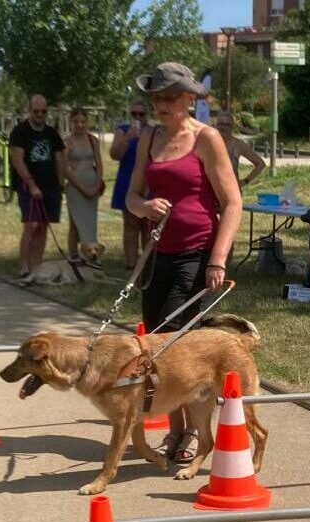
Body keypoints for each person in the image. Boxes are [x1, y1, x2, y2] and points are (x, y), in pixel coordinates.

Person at [126, 62, 243, 464]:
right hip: (159, 254)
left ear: (190, 98)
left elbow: (232, 203)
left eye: (170, 96)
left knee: (179, 345)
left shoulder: (206, 138)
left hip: (197, 254)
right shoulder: (148, 137)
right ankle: (175, 430)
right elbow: (132, 196)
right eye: (156, 97)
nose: (161, 104)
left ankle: (193, 431)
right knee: (155, 345)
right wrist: (144, 206)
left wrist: (218, 259)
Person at [10, 95, 67, 282]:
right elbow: (18, 161)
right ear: (29, 111)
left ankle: (36, 266)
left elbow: (60, 159)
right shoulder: (20, 132)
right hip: (28, 186)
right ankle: (24, 267)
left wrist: (60, 184)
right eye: (36, 111)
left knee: (43, 226)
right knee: (31, 225)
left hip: (50, 186)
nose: (40, 115)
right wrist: (32, 185)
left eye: (43, 111)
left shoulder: (52, 133)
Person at [110, 101, 152, 272]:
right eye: (134, 114)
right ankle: (131, 264)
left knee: (148, 226)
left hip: (148, 182)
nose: (137, 117)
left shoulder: (153, 132)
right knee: (130, 224)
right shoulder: (123, 131)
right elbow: (114, 155)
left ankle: (147, 264)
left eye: (141, 114)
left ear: (147, 115)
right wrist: (128, 138)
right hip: (127, 180)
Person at [63, 107, 105, 263]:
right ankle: (73, 257)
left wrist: (97, 184)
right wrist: (82, 188)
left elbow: (99, 164)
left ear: (87, 122)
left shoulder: (93, 140)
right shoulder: (67, 142)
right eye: (76, 122)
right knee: (75, 224)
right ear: (71, 122)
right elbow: (65, 168)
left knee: (90, 223)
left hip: (92, 182)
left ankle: (91, 257)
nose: (80, 125)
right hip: (75, 185)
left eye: (83, 122)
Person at [215, 111, 266, 188]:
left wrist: (245, 181)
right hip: (211, 191)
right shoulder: (208, 143)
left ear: (232, 127)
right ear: (216, 125)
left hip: (232, 190)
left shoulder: (238, 145)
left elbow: (260, 164)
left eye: (227, 125)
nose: (223, 127)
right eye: (221, 124)